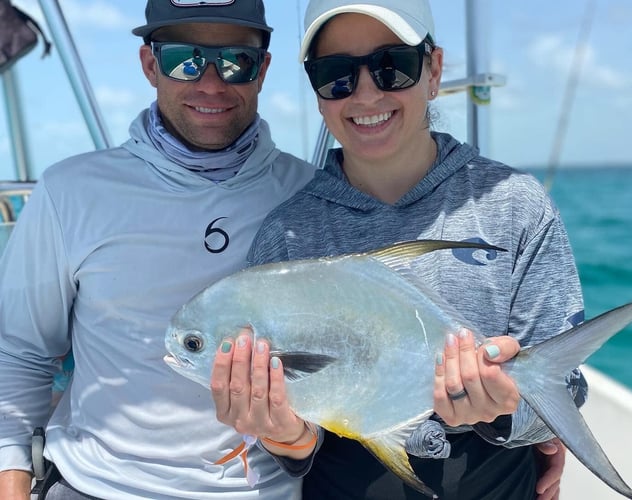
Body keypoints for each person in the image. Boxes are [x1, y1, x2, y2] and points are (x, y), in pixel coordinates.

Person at [210, 0, 586, 499]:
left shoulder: (515, 205)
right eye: (335, 75)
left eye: (393, 67)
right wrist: (285, 434)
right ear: (317, 94)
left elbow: (568, 390)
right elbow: (302, 437)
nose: (365, 93)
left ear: (433, 71)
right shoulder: (288, 233)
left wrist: (502, 410)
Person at [0, 1, 318, 498]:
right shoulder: (70, 191)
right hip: (94, 485)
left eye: (236, 61)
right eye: (184, 60)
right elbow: (19, 351)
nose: (211, 83)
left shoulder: (312, 196)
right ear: (150, 65)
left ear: (263, 71)